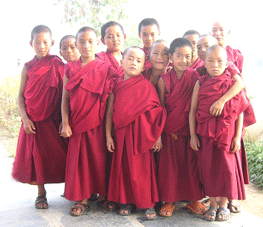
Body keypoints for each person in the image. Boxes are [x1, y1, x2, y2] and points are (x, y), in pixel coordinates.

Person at [189, 45, 255, 221]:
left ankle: (224, 204)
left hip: (227, 133)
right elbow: (192, 110)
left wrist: (237, 136)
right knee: (208, 167)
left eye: (219, 61)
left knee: (227, 168)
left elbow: (239, 110)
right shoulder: (200, 82)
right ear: (204, 62)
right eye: (210, 60)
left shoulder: (231, 84)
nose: (215, 64)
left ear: (227, 63)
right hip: (205, 132)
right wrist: (193, 135)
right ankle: (212, 203)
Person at [60, 26, 119, 216]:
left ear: (98, 43)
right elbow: (65, 99)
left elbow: (110, 99)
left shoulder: (106, 68)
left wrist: (108, 129)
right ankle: (82, 198)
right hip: (77, 122)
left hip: (99, 122)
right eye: (82, 42)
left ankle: (103, 195)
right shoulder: (70, 67)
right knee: (80, 161)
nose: (86, 46)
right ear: (76, 44)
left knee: (99, 158)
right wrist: (66, 122)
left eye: (90, 42)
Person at [106, 46, 166, 220]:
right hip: (121, 135)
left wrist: (157, 137)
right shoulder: (115, 85)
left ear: (143, 66)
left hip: (142, 136)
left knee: (142, 171)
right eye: (130, 58)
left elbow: (156, 113)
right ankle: (125, 201)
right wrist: (108, 136)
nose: (134, 63)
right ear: (121, 61)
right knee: (123, 169)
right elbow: (109, 112)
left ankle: (147, 203)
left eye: (139, 61)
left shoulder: (146, 86)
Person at [12, 25, 67, 209]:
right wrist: (25, 119)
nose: (42, 46)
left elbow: (64, 95)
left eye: (45, 42)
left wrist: (64, 120)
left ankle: (74, 188)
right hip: (33, 120)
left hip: (54, 119)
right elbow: (21, 96)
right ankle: (41, 193)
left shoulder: (58, 64)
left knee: (65, 154)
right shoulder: (28, 68)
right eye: (37, 42)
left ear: (51, 43)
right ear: (31, 43)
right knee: (37, 157)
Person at [157, 38, 205, 217]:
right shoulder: (163, 79)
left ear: (193, 57)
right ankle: (168, 201)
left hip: (189, 130)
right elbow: (161, 108)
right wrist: (159, 134)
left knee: (190, 167)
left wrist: (194, 133)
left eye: (187, 56)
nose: (183, 60)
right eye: (179, 56)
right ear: (171, 56)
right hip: (169, 132)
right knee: (169, 168)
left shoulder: (195, 77)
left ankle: (193, 200)